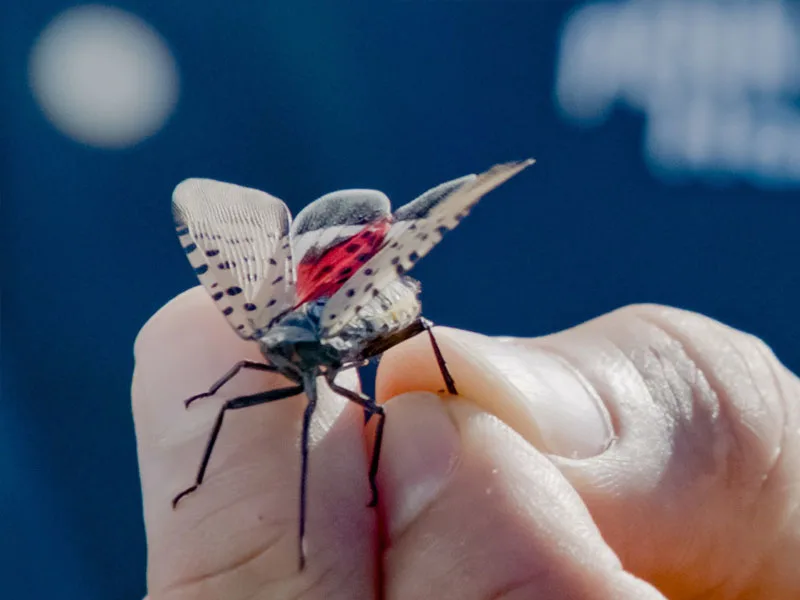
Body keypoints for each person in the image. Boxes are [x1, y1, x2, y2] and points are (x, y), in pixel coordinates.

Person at [132, 287, 799, 599]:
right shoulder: (268, 357)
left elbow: (386, 398)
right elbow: (243, 373)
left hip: (368, 328)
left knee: (372, 417)